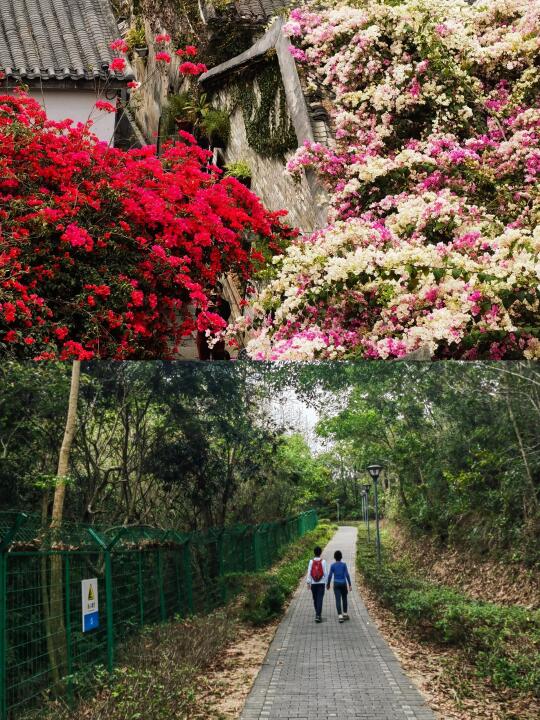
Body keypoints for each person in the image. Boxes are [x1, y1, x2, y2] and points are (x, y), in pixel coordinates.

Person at [326, 550, 352, 623]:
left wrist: (328, 584)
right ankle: (345, 614)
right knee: (344, 598)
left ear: (334, 557)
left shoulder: (332, 565)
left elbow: (330, 575)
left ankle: (340, 616)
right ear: (341, 557)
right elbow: (347, 575)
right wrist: (349, 584)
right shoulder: (344, 565)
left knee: (338, 599)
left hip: (336, 584)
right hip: (343, 583)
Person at [306, 546, 327, 623]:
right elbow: (325, 573)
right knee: (320, 599)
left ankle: (317, 614)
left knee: (315, 599)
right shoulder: (323, 561)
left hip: (313, 584)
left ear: (314, 553)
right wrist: (327, 583)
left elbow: (309, 572)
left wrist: (308, 583)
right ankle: (318, 615)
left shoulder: (311, 562)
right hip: (321, 583)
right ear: (320, 553)